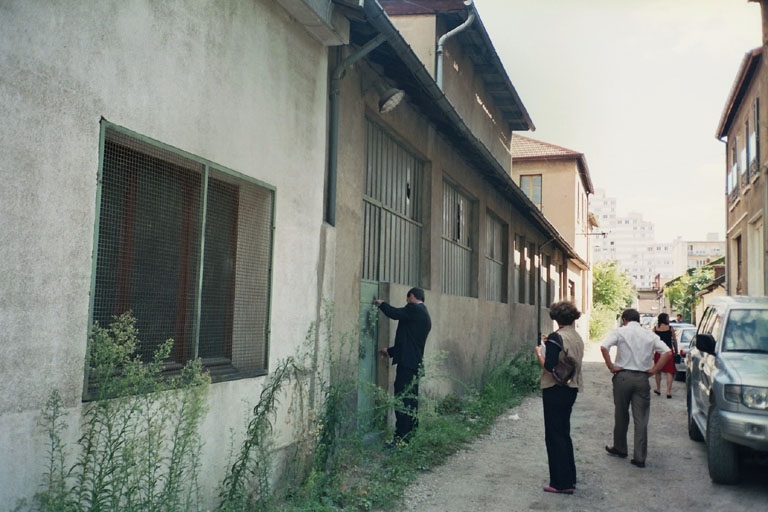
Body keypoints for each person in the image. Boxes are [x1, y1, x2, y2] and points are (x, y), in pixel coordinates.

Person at [600, 308, 672, 469]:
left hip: (623, 377)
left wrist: (611, 366)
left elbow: (604, 347)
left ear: (624, 319)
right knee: (641, 418)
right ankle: (639, 457)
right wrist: (654, 370)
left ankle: (620, 447)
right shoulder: (649, 335)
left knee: (621, 413)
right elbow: (667, 352)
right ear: (638, 320)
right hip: (642, 378)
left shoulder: (620, 331)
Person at [534, 301, 585, 495]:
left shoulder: (557, 337)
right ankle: (569, 477)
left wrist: (539, 353)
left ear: (556, 318)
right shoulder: (575, 336)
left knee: (554, 435)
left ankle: (559, 483)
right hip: (571, 388)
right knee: (563, 433)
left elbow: (549, 366)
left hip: (555, 388)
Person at [374, 287, 431, 444]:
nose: (406, 304)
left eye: (407, 300)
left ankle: (400, 439)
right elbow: (408, 342)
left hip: (407, 365)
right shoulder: (423, 313)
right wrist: (390, 351)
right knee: (411, 401)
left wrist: (381, 304)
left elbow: (395, 314)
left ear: (411, 297)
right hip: (414, 364)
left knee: (402, 401)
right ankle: (410, 436)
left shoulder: (414, 309)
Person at [652, 313, 678, 398]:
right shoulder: (670, 328)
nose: (668, 319)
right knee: (669, 372)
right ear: (665, 319)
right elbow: (674, 340)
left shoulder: (655, 329)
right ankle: (668, 392)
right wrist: (676, 351)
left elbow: (652, 342)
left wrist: (652, 352)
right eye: (667, 318)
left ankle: (658, 389)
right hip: (669, 351)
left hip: (659, 352)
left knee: (657, 371)